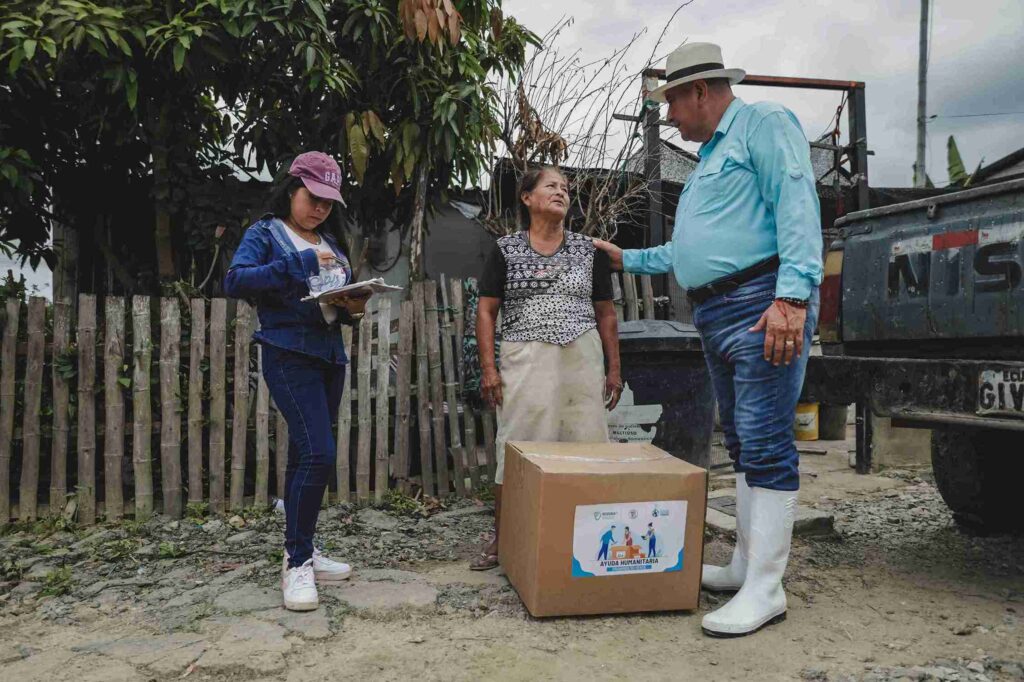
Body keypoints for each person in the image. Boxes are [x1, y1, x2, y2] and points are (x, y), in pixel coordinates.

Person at [595, 42, 823, 637]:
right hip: (719, 311)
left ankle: (767, 588)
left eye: (671, 100)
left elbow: (798, 206)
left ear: (700, 91)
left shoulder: (764, 125)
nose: (668, 114)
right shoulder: (711, 160)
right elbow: (687, 251)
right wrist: (627, 257)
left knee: (767, 439)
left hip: (762, 301)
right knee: (745, 439)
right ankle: (748, 566)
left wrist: (792, 299)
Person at [224, 151, 367, 612]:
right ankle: (298, 564)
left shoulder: (331, 241)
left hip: (329, 356)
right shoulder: (265, 233)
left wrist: (354, 306)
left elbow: (335, 308)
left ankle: (301, 546)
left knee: (303, 454)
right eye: (314, 197)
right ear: (291, 189)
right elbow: (236, 281)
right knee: (319, 453)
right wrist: (297, 264)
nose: (321, 208)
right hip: (288, 354)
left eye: (329, 201)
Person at [470, 166, 623, 570]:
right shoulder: (505, 249)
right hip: (525, 355)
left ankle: (583, 539)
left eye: (565, 188)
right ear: (527, 198)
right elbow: (486, 311)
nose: (561, 192)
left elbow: (606, 313)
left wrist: (614, 369)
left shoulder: (589, 251)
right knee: (518, 444)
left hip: (581, 355)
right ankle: (504, 538)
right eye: (551, 186)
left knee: (587, 443)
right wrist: (489, 368)